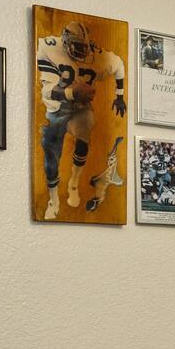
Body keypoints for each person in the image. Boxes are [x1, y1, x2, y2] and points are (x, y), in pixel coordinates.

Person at [36, 19, 126, 219]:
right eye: (77, 47)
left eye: (84, 47)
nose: (82, 52)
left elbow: (119, 64)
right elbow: (47, 92)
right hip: (57, 108)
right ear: (66, 41)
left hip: (79, 108)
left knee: (84, 133)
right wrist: (71, 92)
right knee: (51, 157)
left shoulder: (98, 56)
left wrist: (119, 96)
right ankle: (53, 200)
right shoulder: (49, 48)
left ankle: (74, 183)